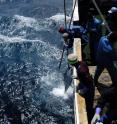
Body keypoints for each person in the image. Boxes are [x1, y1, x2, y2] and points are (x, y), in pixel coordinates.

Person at [67, 53, 94, 123]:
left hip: (88, 87)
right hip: (85, 83)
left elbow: (88, 79)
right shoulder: (81, 63)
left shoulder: (80, 70)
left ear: (71, 63)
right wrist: (77, 77)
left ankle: (91, 118)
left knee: (89, 105)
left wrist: (85, 89)